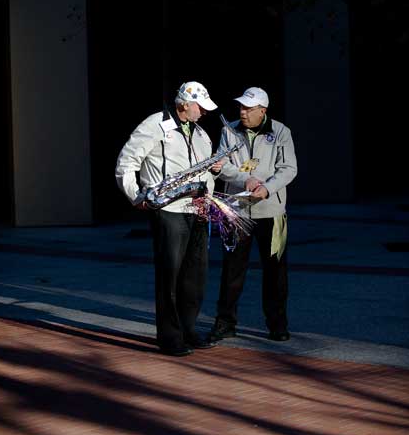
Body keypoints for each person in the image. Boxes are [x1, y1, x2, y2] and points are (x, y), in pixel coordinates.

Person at [115, 81, 222, 357]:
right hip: (169, 210)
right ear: (185, 104)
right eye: (200, 106)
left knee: (195, 276)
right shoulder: (155, 124)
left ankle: (188, 329)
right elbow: (127, 162)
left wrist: (214, 175)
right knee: (170, 276)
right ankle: (170, 336)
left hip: (198, 210)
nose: (204, 112)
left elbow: (203, 172)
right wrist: (136, 196)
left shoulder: (200, 133)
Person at [209, 86, 298, 343]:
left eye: (249, 108)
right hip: (237, 211)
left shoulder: (281, 132)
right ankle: (225, 323)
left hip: (271, 211)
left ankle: (277, 324)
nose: (243, 112)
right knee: (232, 270)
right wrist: (245, 179)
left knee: (275, 271)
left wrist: (267, 189)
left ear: (263, 111)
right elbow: (220, 164)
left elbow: (289, 169)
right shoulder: (229, 130)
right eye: (241, 107)